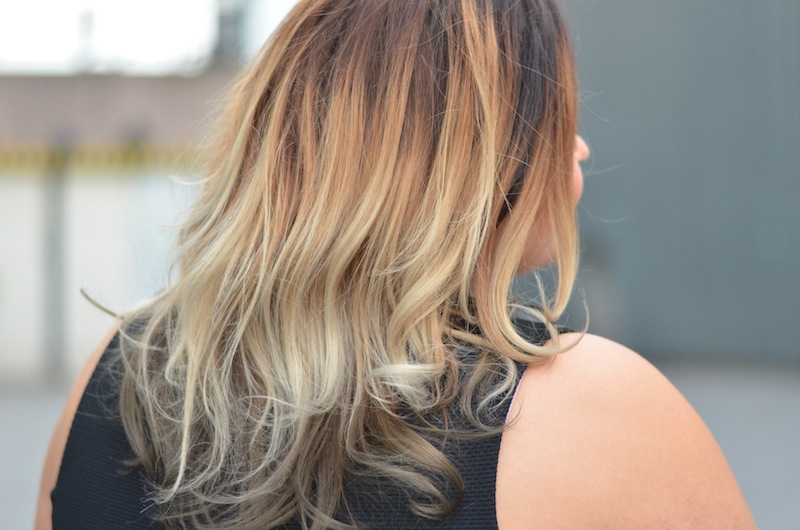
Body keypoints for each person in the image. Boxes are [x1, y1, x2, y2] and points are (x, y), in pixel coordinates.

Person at [36, 0, 757, 528]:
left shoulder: (113, 382)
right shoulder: (598, 411)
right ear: (479, 159)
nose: (581, 148)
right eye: (558, 116)